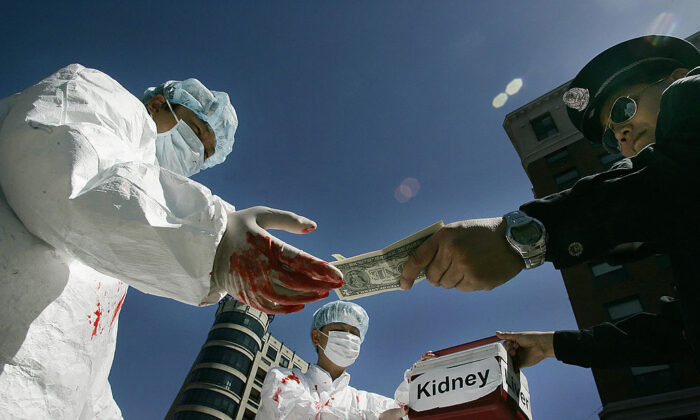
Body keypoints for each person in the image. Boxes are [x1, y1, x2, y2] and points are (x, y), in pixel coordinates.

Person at [0, 64, 342, 418]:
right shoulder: (97, 96)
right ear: (158, 104)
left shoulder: (112, 259)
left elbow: (86, 366)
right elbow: (67, 173)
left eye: (206, 155)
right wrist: (215, 238)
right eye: (195, 131)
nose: (196, 155)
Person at [400, 35, 700, 369]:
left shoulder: (690, 93)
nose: (622, 134)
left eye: (623, 109)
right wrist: (551, 346)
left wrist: (522, 235)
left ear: (675, 78)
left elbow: (674, 175)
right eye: (612, 135)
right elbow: (677, 336)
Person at [257, 301, 407, 420]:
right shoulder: (283, 379)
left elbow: (406, 411)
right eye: (340, 330)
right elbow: (302, 414)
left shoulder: (368, 401)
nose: (348, 337)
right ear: (316, 337)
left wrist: (418, 379)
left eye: (355, 333)